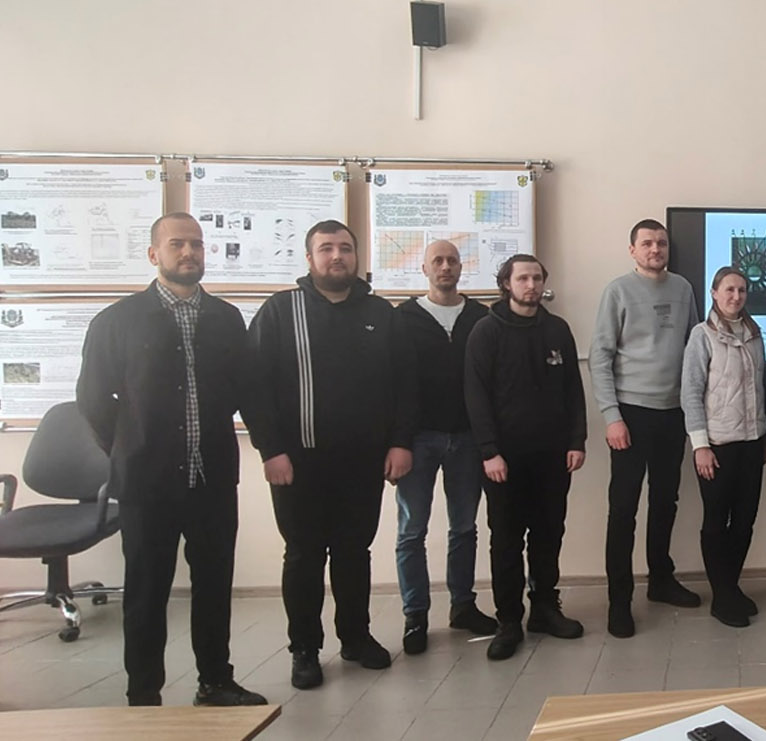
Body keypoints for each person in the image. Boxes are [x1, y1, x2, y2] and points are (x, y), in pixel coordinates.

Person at [77, 213, 266, 707]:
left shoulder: (226, 318)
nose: (189, 253)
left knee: (214, 585)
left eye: (196, 245)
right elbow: (94, 401)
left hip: (212, 477)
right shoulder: (116, 321)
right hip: (147, 483)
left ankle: (215, 681)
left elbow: (246, 390)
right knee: (147, 591)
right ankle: (143, 694)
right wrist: (129, 446)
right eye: (178, 244)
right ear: (153, 254)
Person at [244, 219, 417, 688]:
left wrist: (401, 441)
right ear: (309, 258)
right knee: (303, 555)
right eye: (326, 248)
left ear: (357, 257)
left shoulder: (381, 314)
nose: (336, 256)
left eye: (345, 248)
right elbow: (255, 387)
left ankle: (355, 638)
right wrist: (271, 450)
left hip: (362, 461)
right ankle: (304, 649)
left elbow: (405, 384)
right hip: (298, 463)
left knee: (353, 552)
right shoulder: (281, 311)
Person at [465, 255, 588, 660]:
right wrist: (489, 452)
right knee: (506, 540)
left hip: (552, 456)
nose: (531, 285)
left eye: (537, 278)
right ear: (506, 284)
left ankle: (545, 609)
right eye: (522, 278)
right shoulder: (486, 331)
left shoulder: (557, 330)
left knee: (549, 534)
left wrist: (576, 441)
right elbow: (476, 396)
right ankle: (509, 621)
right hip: (504, 460)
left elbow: (573, 390)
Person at [590, 219, 702, 638]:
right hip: (630, 414)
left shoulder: (683, 288)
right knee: (623, 510)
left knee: (665, 502)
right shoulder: (618, 290)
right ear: (633, 250)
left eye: (662, 243)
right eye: (648, 243)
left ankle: (660, 580)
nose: (656, 249)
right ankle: (619, 601)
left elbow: (694, 347)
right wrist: (612, 416)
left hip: (673, 413)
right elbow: (600, 356)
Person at [393, 239, 497, 655]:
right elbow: (392, 383)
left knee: (465, 527)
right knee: (411, 530)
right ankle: (415, 614)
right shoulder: (403, 318)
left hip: (468, 437)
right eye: (437, 260)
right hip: (417, 439)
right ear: (424, 268)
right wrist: (396, 442)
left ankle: (463, 605)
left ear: (461, 268)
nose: (446, 266)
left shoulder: (480, 317)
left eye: (452, 260)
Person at [680, 267, 766, 627]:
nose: (736, 296)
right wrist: (700, 445)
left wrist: (764, 434)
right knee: (717, 522)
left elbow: (761, 385)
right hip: (716, 445)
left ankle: (730, 586)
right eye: (729, 290)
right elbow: (690, 392)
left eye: (742, 290)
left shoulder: (755, 333)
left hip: (752, 443)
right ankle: (722, 596)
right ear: (715, 293)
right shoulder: (701, 335)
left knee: (745, 521)